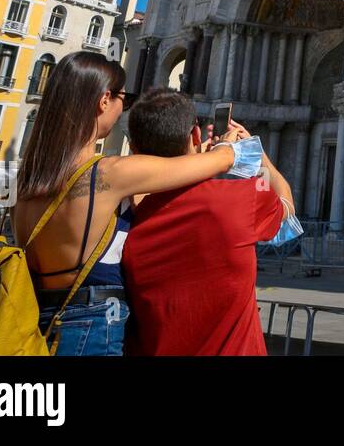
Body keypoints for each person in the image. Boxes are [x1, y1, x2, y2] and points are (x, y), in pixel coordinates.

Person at [13, 53, 241, 357]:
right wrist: (228, 142)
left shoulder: (29, 177)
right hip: (89, 326)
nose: (124, 107)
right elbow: (223, 159)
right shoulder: (108, 174)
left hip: (36, 317)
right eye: (124, 97)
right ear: (104, 100)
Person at [120, 88, 293, 356]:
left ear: (133, 148)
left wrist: (202, 156)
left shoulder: (128, 219)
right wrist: (256, 156)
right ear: (195, 135)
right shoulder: (241, 201)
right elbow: (286, 209)